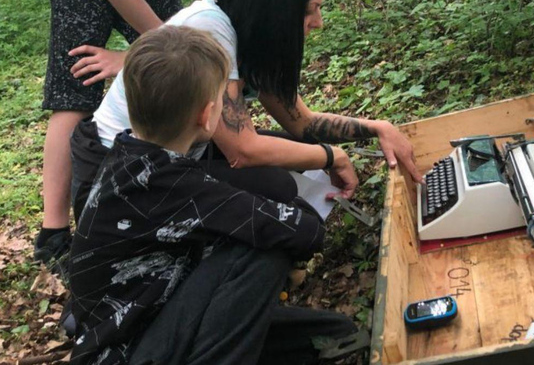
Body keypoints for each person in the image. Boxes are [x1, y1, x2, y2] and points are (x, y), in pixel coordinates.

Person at [70, 0, 423, 225]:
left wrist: (377, 128)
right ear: (275, 8)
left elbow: (303, 123)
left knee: (292, 163)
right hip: (117, 173)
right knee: (278, 185)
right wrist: (332, 157)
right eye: (308, 9)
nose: (318, 23)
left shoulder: (252, 35)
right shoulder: (211, 29)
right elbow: (243, 151)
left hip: (179, 153)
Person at [69, 25, 358, 365]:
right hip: (129, 350)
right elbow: (303, 231)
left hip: (153, 323)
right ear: (207, 116)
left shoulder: (128, 157)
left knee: (336, 334)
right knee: (259, 248)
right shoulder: (167, 183)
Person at [37, 0, 270, 266]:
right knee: (76, 88)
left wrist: (132, 54)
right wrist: (147, 48)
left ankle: (171, 177)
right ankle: (53, 231)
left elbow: (203, 7)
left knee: (183, 71)